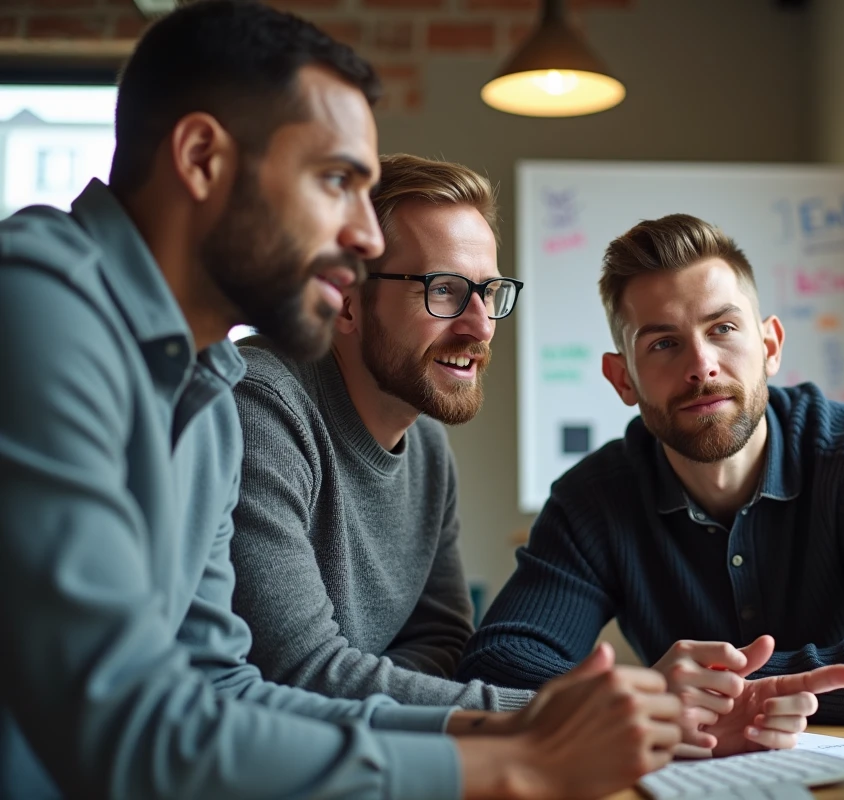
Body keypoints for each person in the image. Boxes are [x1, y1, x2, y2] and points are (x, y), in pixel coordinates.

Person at [0, 4, 681, 798]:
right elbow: (124, 721)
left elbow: (225, 689)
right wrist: (511, 760)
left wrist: (533, 726)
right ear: (200, 158)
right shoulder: (38, 304)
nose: (362, 236)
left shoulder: (206, 386)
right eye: (336, 181)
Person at [458, 213, 844, 757]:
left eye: (723, 329)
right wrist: (654, 692)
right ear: (622, 378)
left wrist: (702, 688)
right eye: (663, 344)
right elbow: (498, 663)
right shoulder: (594, 497)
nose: (701, 365)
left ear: (770, 345)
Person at [229, 153, 533, 712]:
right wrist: (548, 715)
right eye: (444, 290)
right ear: (346, 300)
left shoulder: (428, 447)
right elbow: (298, 673)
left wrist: (367, 687)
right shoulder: (258, 406)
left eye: (489, 293)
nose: (481, 324)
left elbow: (441, 640)